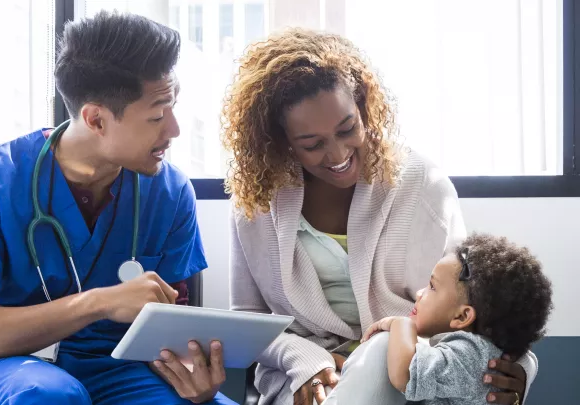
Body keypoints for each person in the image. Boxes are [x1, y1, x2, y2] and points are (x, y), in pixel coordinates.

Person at [0, 11, 235, 405]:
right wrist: (100, 301)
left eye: (172, 109)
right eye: (156, 116)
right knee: (49, 396)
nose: (174, 130)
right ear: (96, 119)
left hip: (116, 370)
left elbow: (172, 329)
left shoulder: (169, 192)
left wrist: (192, 374)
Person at [222, 28, 538, 405]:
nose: (338, 153)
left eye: (347, 128)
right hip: (305, 384)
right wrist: (304, 361)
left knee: (382, 351)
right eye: (313, 144)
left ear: (364, 107)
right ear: (281, 140)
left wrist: (520, 370)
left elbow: (476, 304)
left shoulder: (423, 186)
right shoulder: (256, 202)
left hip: (412, 377)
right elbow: (248, 323)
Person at [316, 233, 553, 405]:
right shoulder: (485, 353)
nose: (419, 293)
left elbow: (406, 376)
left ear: (462, 316)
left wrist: (401, 324)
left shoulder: (468, 354)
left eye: (431, 287)